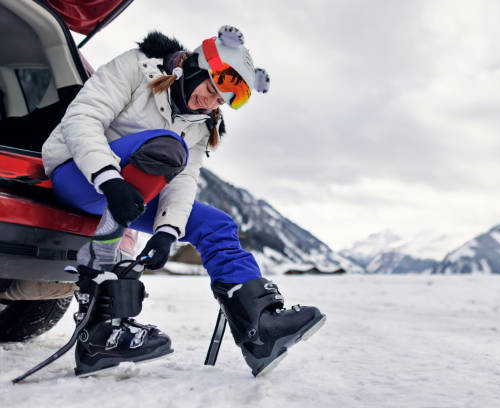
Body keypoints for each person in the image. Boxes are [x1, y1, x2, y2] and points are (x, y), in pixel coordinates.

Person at [41, 26, 326, 377]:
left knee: (215, 224)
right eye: (210, 89)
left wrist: (166, 232)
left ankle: (259, 329)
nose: (210, 102)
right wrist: (110, 179)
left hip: (134, 190)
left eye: (220, 101)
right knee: (164, 144)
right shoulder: (136, 67)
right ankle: (101, 331)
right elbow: (82, 119)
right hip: (78, 175)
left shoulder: (201, 126)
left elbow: (184, 182)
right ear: (192, 69)